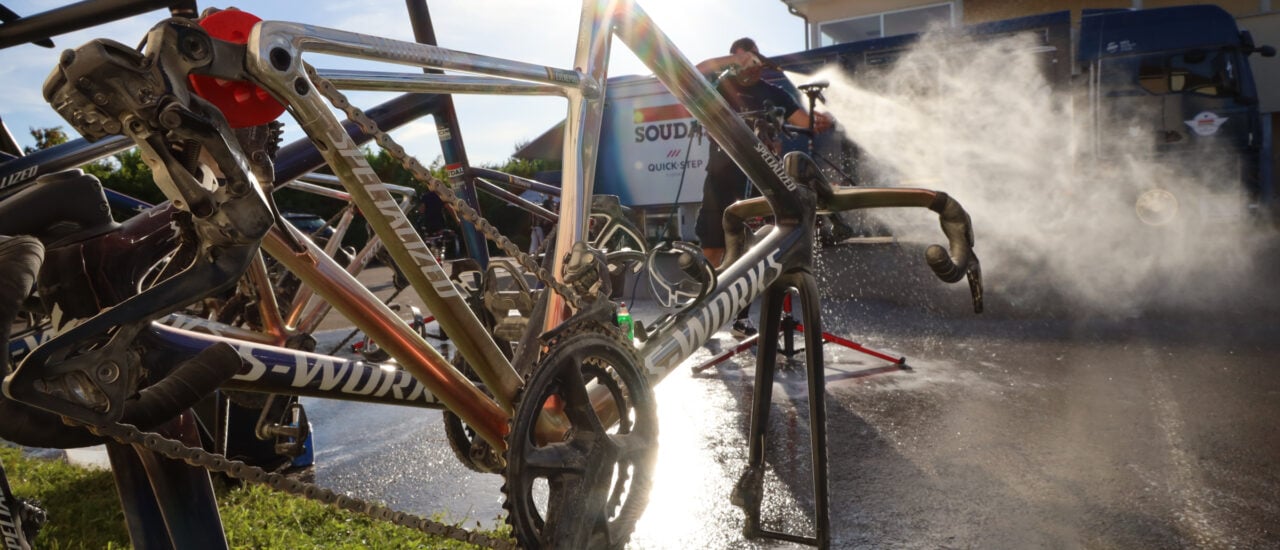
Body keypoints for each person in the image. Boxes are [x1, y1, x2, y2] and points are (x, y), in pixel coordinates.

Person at [694, 37, 834, 338]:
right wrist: (733, 60)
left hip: (760, 181)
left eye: (755, 58)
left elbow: (804, 120)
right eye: (744, 60)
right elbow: (696, 70)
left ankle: (741, 318)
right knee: (713, 246)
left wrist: (820, 120)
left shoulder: (773, 92)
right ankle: (702, 312)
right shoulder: (718, 86)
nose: (752, 66)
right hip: (720, 178)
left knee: (752, 249)